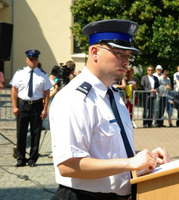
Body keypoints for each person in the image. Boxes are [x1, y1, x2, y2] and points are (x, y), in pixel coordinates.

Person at [49, 19, 170, 200]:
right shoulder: (74, 98)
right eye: (119, 53)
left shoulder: (112, 95)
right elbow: (68, 165)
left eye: (129, 56)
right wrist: (130, 163)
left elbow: (110, 153)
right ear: (95, 52)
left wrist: (146, 159)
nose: (126, 62)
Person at [10, 49, 52, 167]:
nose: (33, 61)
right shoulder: (20, 73)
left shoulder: (43, 75)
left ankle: (33, 158)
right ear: (27, 60)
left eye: (35, 59)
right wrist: (14, 106)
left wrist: (44, 109)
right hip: (22, 105)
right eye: (31, 59)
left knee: (36, 133)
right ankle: (21, 158)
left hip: (37, 106)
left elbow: (47, 93)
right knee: (21, 133)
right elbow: (14, 90)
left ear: (38, 60)